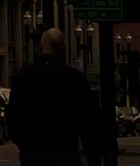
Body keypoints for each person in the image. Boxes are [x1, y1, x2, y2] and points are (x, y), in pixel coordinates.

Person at [6, 27, 101, 166]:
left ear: (41, 46)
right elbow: (88, 120)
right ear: (62, 48)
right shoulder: (75, 78)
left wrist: (24, 144)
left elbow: (12, 116)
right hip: (65, 150)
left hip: (32, 152)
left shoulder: (23, 76)